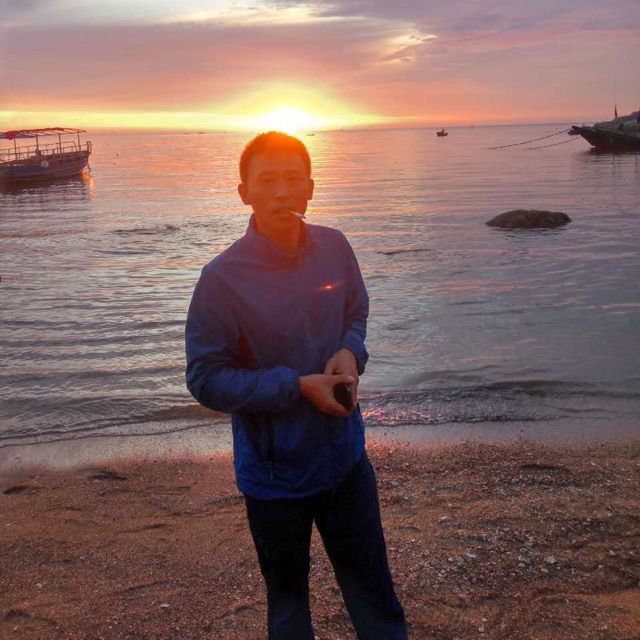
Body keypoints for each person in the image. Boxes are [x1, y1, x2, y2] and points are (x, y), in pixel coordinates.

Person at [185, 131, 408, 639]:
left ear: (311, 187)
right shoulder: (221, 278)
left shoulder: (335, 246)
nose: (282, 192)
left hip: (346, 459)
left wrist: (351, 350)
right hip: (273, 477)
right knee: (288, 608)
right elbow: (205, 378)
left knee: (375, 594)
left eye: (293, 179)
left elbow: (356, 310)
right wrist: (297, 386)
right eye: (267, 181)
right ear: (244, 192)